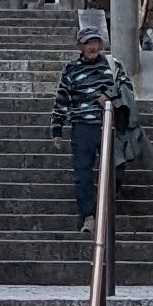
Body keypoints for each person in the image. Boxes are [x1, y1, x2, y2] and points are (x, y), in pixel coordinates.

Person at [55, 28, 129, 229]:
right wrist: (57, 128)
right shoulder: (71, 70)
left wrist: (110, 96)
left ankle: (105, 208)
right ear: (80, 46)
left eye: (95, 42)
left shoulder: (113, 66)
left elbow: (126, 88)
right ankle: (89, 216)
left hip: (110, 125)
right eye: (88, 43)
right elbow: (62, 100)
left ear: (102, 45)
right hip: (82, 127)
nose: (92, 47)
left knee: (117, 168)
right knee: (83, 173)